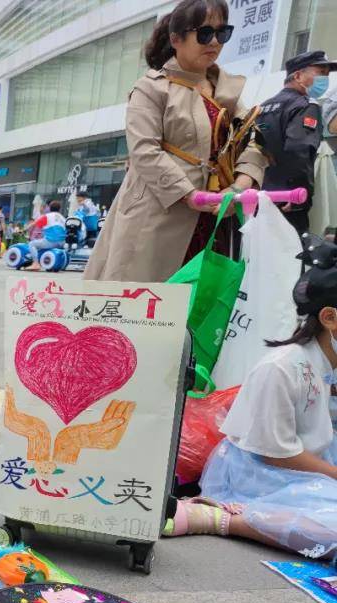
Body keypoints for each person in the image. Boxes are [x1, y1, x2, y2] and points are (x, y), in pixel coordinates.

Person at [84, 0, 266, 283]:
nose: (215, 42)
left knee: (204, 310)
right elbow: (144, 150)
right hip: (158, 215)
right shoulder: (151, 87)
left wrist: (238, 188)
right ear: (175, 39)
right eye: (204, 33)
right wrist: (190, 195)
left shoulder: (228, 92)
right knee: (144, 307)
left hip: (216, 216)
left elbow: (254, 142)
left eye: (223, 32)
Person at [167, 261, 337, 562]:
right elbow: (275, 453)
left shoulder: (324, 363)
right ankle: (220, 519)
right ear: (329, 318)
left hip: (311, 464)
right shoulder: (282, 368)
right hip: (262, 474)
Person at [258, 50, 334, 235]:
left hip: (260, 197)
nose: (325, 79)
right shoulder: (305, 105)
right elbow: (299, 151)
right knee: (292, 257)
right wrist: (300, 194)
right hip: (289, 201)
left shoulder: (264, 106)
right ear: (298, 76)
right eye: (320, 73)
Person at [20, 200, 67, 266]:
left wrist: (23, 230)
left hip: (51, 242)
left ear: (49, 208)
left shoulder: (47, 216)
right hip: (62, 243)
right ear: (59, 209)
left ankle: (35, 263)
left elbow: (33, 224)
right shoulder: (63, 218)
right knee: (42, 241)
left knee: (32, 244)